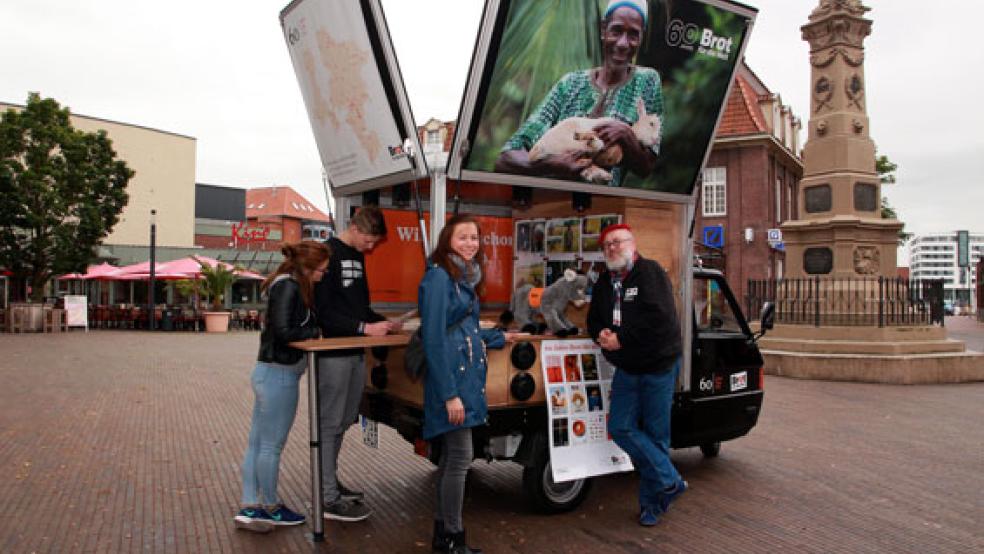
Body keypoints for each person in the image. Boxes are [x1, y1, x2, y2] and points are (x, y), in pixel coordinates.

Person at [419, 214, 512, 554]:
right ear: (447, 241)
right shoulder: (439, 279)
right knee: (460, 459)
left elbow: (465, 328)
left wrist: (500, 336)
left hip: (464, 380)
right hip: (452, 385)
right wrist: (449, 396)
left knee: (450, 461)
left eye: (475, 237)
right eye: (463, 237)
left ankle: (443, 536)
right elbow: (432, 339)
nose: (471, 243)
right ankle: (454, 539)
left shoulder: (463, 278)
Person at [495, 0, 663, 186]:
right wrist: (553, 164)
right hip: (548, 204)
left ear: (641, 38)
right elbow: (505, 159)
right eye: (616, 31)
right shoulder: (570, 84)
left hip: (604, 207)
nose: (623, 43)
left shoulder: (647, 81)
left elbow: (646, 166)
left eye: (633, 34)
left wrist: (625, 133)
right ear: (603, 30)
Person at [586, 223, 687, 527]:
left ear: (632, 243)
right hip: (628, 368)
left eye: (617, 242)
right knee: (620, 427)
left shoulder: (650, 273)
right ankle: (670, 480)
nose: (612, 248)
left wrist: (622, 338)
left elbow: (661, 319)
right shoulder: (605, 281)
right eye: (606, 245)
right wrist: (600, 333)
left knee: (656, 437)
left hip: (658, 366)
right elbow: (594, 319)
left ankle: (652, 505)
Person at [234, 241, 329, 533]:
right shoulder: (289, 287)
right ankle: (271, 508)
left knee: (258, 444)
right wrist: (317, 332)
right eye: (321, 270)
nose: (323, 275)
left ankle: (251, 505)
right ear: (307, 268)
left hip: (269, 372)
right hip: (280, 375)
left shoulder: (284, 284)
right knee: (271, 447)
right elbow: (285, 330)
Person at [314, 206, 401, 522]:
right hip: (333, 353)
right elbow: (324, 312)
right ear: (356, 228)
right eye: (370, 240)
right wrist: (366, 328)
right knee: (329, 422)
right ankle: (325, 495)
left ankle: (329, 483)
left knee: (345, 418)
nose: (371, 247)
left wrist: (384, 323)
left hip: (354, 352)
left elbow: (358, 308)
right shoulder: (327, 253)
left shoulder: (358, 256)